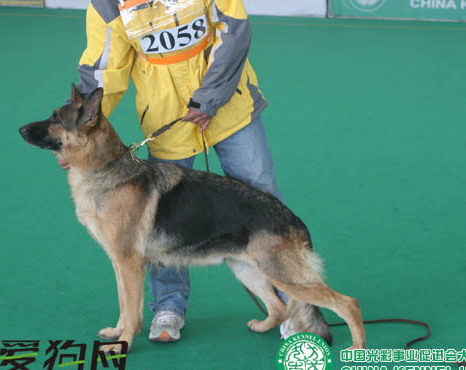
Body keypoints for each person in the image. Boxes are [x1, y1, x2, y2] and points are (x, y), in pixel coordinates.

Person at [66, 0, 297, 342]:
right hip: (166, 116)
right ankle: (169, 306)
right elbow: (104, 68)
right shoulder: (106, 4)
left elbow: (233, 30)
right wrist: (75, 132)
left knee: (265, 201)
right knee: (162, 217)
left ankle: (294, 305)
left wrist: (210, 96)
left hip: (230, 105)